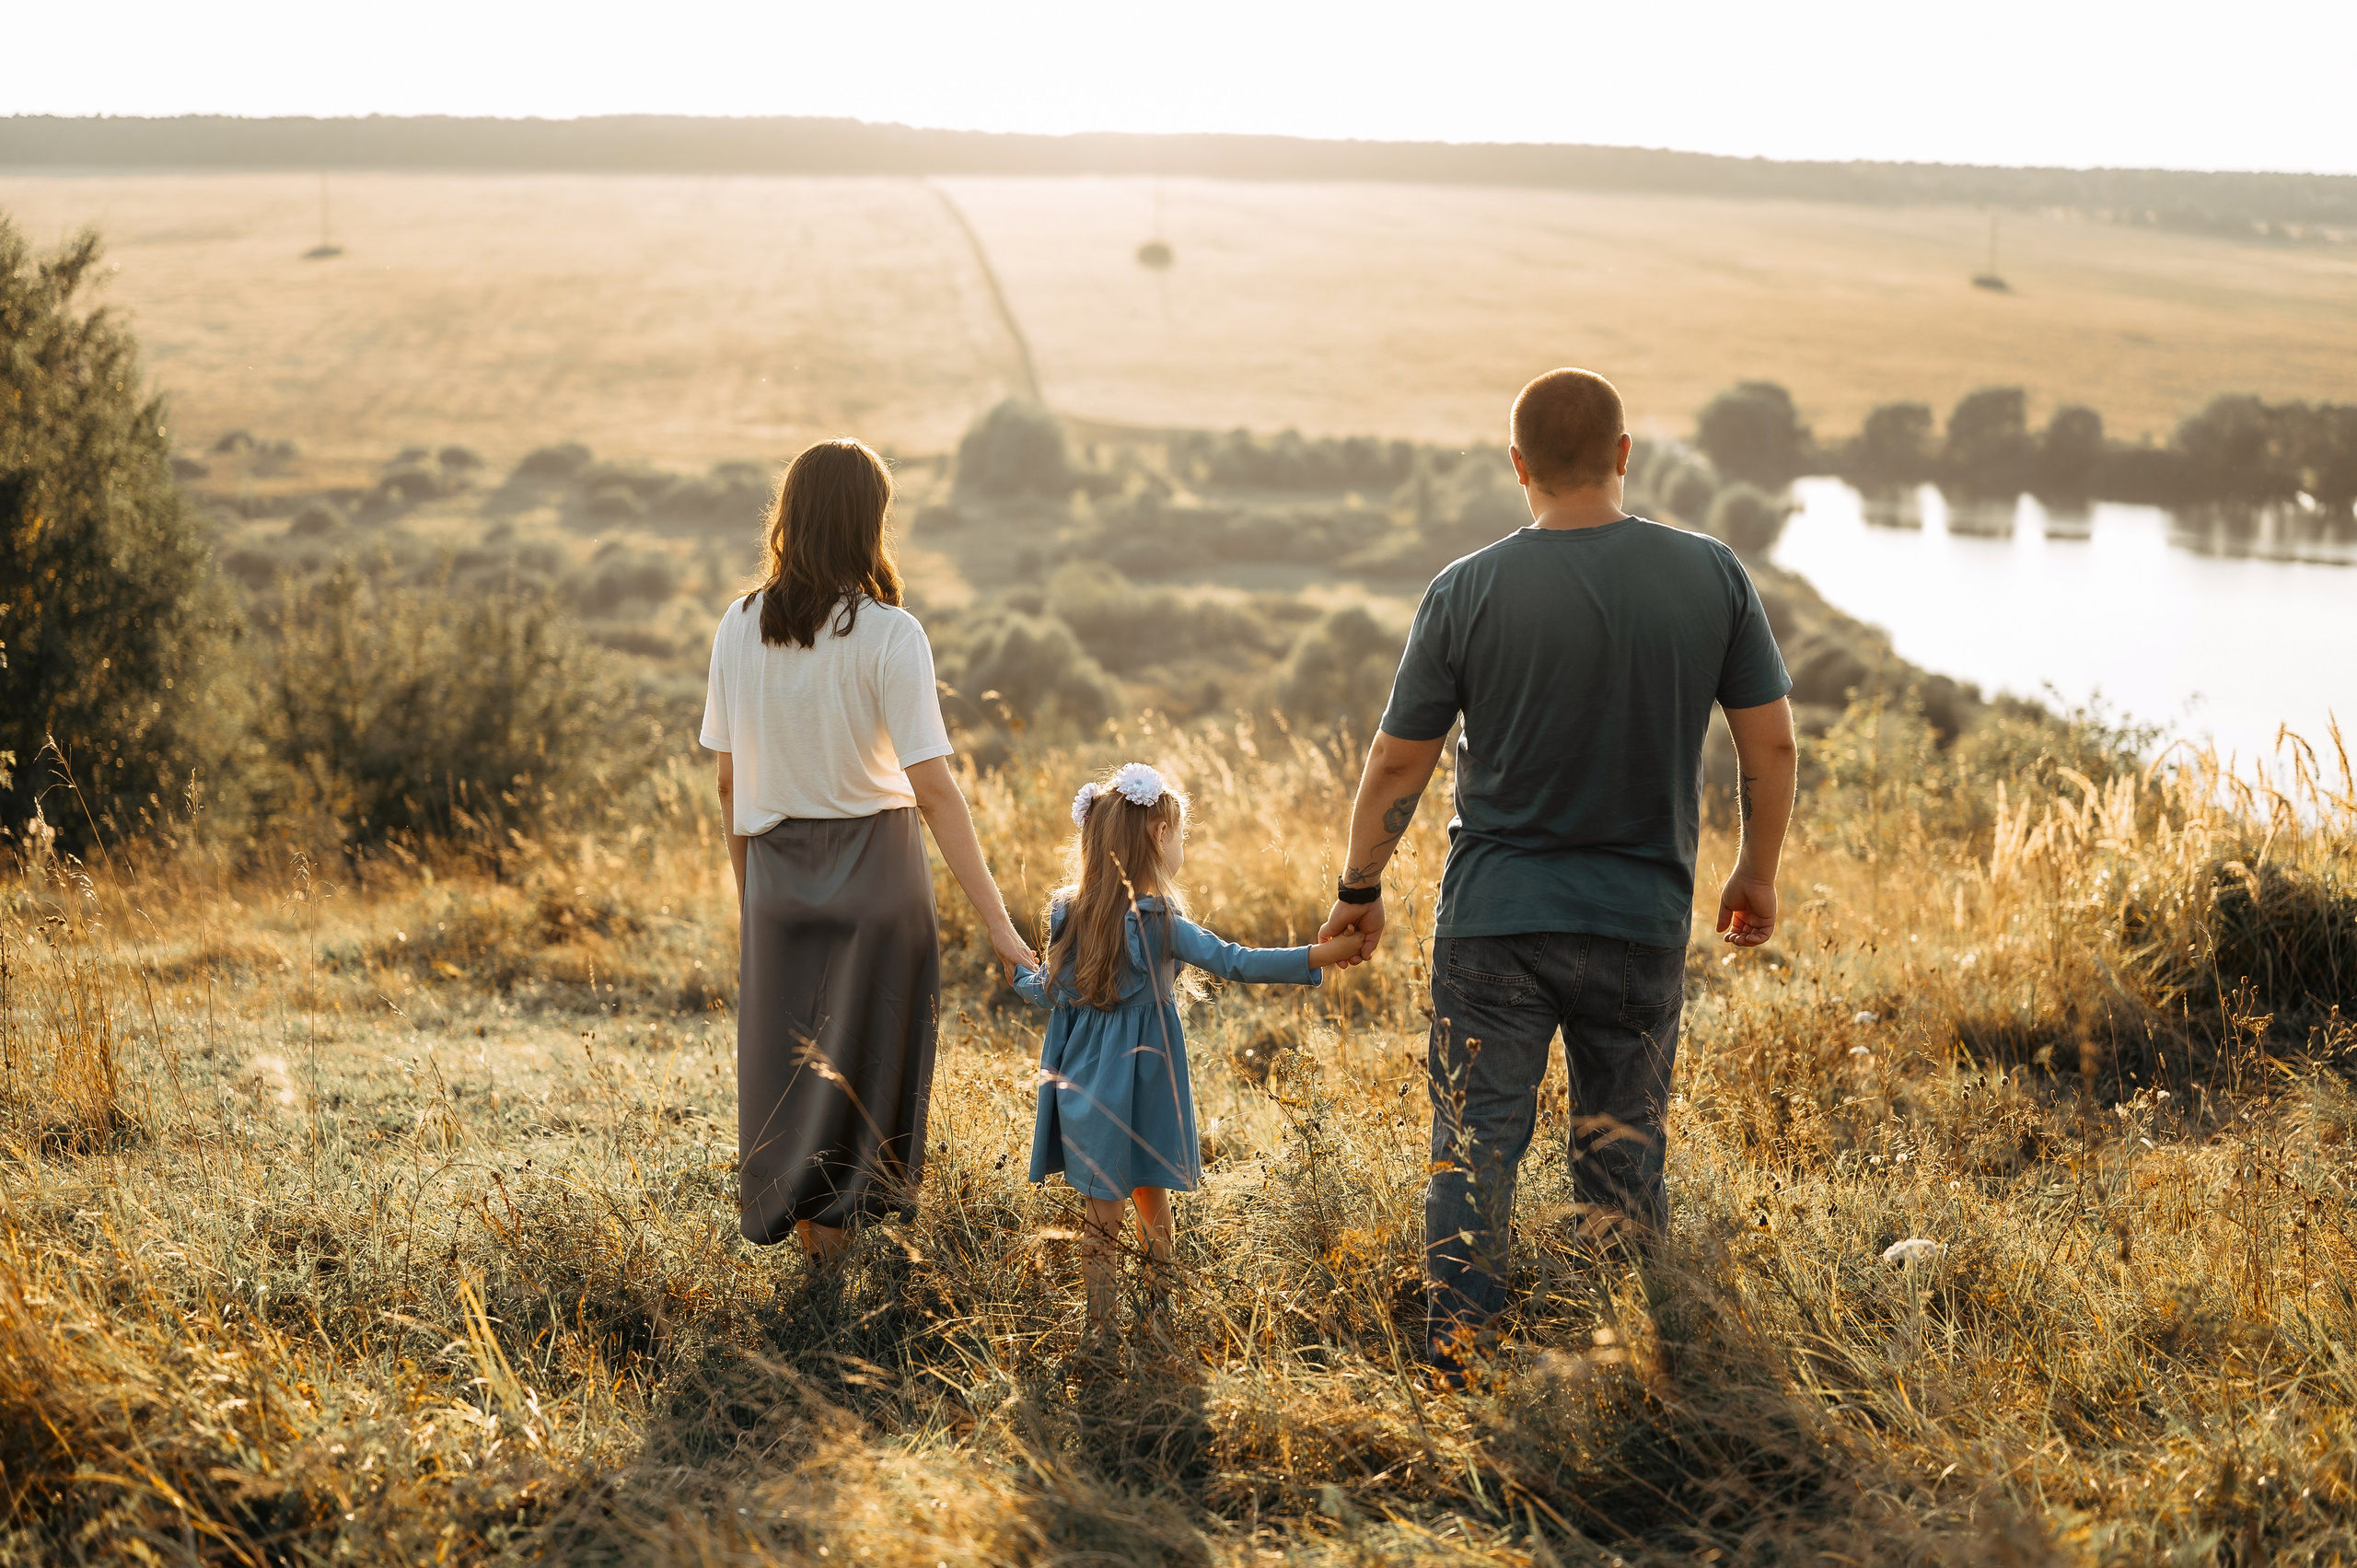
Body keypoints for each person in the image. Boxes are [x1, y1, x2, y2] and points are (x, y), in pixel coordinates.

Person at [1317, 367, 1798, 1376]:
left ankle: (1456, 1360)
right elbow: (1771, 746)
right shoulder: (1710, 573)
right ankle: (1632, 1368)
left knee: (1475, 1145)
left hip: (1495, 918)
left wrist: (1358, 887)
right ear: (1624, 455)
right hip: (1640, 921)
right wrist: (1755, 871)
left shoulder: (1466, 587)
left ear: (1518, 467)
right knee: (1621, 1150)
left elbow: (1398, 760)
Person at [702, 437, 1034, 1264]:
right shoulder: (891, 633)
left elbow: (727, 788)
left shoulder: (737, 626)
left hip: (776, 871)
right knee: (869, 1067)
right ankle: (836, 1273)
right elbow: (934, 791)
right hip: (878, 870)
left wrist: (755, 900)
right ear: (869, 523)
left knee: (791, 1075)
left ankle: (817, 1264)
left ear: (790, 517)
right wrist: (1000, 927)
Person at [1014, 761, 1364, 1347]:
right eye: (1180, 834)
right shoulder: (1160, 921)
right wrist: (1321, 955)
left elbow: (1050, 990)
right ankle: (1156, 1314)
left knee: (1102, 1216)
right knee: (1151, 1194)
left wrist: (1015, 974)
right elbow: (1238, 961)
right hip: (1147, 1082)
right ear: (1157, 836)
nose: (1183, 845)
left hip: (1086, 1084)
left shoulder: (1069, 913)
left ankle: (1102, 1332)